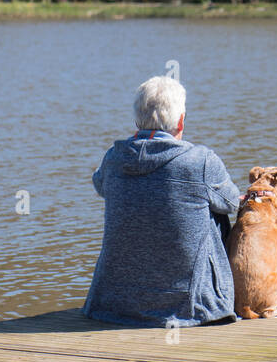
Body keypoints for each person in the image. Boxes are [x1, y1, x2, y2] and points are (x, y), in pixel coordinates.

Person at [83, 76, 241, 327]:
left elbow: (100, 186)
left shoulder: (114, 157)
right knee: (215, 211)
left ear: (137, 120)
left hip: (112, 305)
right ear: (180, 120)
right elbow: (232, 204)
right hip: (190, 306)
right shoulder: (201, 161)